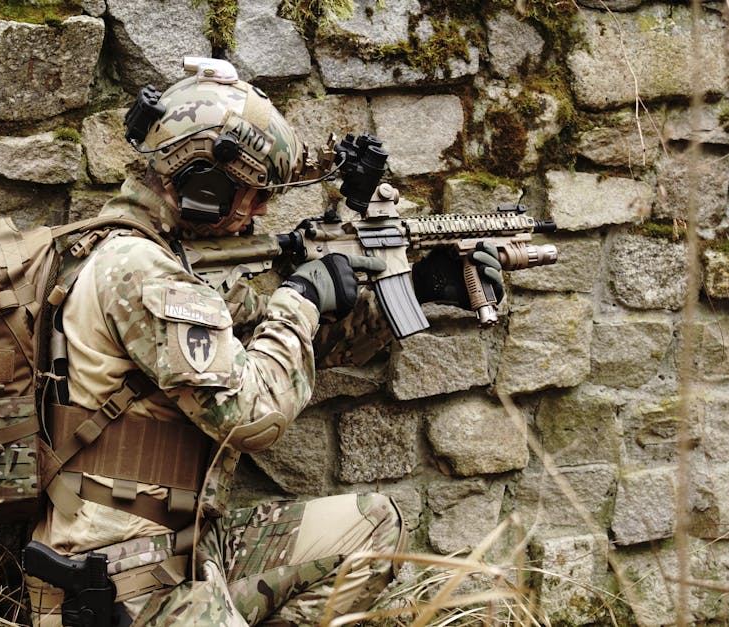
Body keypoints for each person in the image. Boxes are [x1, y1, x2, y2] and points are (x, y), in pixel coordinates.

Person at [25, 57, 503, 626]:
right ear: (202, 182)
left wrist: (418, 290)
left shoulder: (172, 258)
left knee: (372, 527)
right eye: (251, 193)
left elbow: (280, 347)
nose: (261, 209)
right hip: (121, 576)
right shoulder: (141, 270)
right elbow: (252, 416)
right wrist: (300, 296)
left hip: (191, 545)